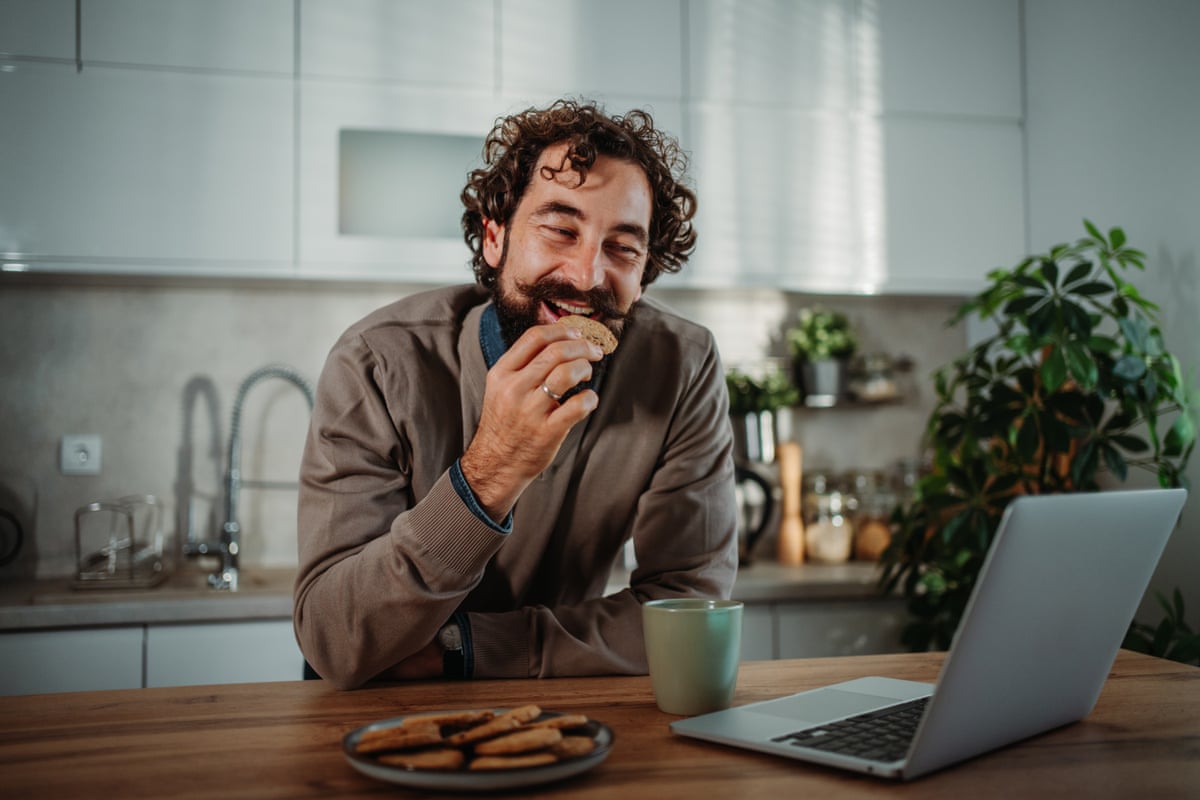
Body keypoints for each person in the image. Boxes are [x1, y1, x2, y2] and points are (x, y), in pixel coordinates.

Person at [295, 99, 738, 690]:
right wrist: (491, 472)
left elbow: (688, 611)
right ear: (494, 237)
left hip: (557, 701)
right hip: (373, 707)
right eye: (561, 229)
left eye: (623, 247)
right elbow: (334, 636)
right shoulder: (376, 362)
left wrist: (468, 650)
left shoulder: (682, 365)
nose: (586, 276)